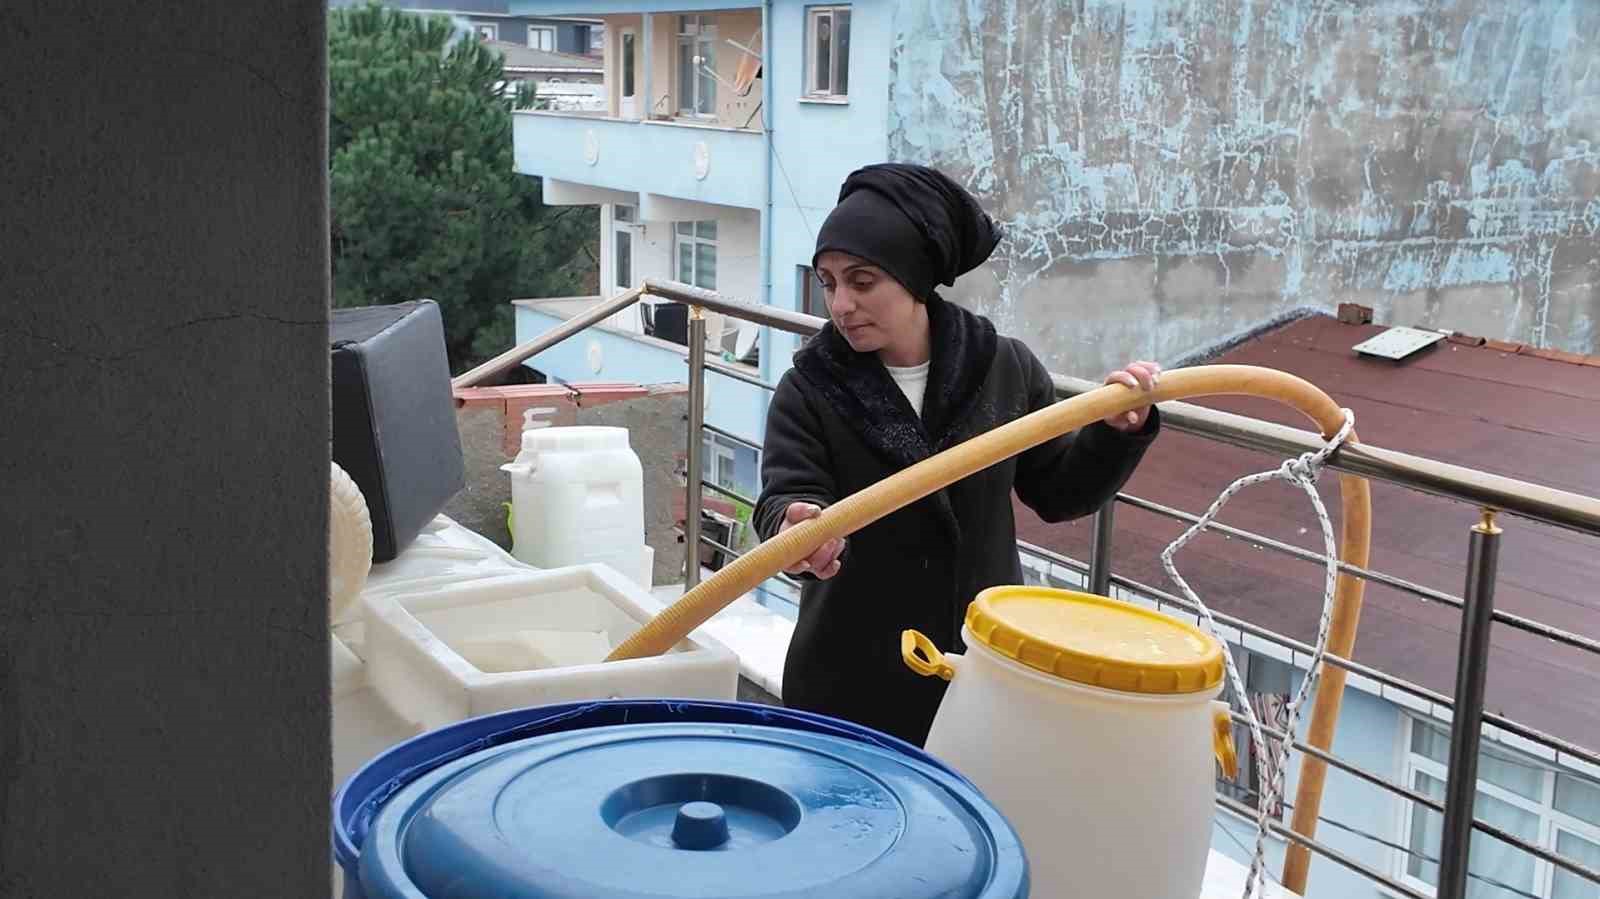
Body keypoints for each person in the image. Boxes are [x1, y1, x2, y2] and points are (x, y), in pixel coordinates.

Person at [751, 163, 1163, 747]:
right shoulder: (811, 387)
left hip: (980, 668)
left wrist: (1115, 431)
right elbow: (785, 496)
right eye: (828, 281)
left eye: (861, 281)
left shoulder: (1003, 367)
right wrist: (797, 529)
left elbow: (1059, 491)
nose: (840, 303)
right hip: (851, 679)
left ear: (915, 276)